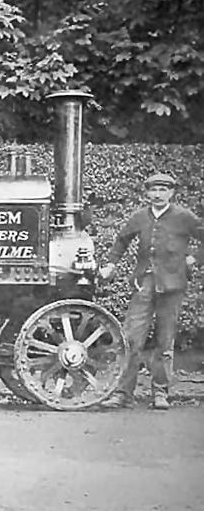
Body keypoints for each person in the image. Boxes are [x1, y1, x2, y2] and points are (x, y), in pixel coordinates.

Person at [98, 173, 204, 410]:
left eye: (163, 190)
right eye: (153, 190)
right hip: (143, 284)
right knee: (131, 339)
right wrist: (111, 264)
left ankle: (161, 394)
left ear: (172, 193)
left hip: (173, 285)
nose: (158, 195)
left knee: (164, 342)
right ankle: (123, 393)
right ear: (146, 193)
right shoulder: (139, 217)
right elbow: (121, 241)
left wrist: (194, 258)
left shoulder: (183, 217)